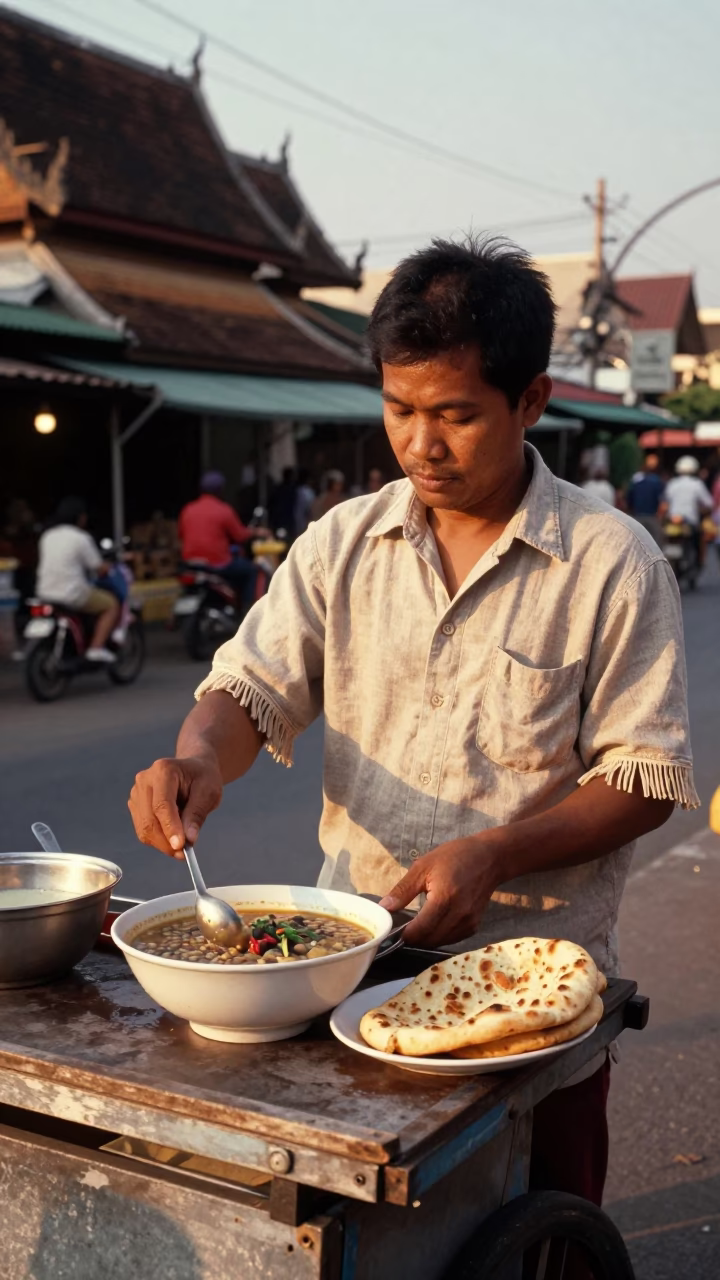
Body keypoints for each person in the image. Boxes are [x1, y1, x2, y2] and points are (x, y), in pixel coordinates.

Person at [129, 236, 696, 1212]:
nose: (422, 444)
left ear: (531, 402)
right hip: (346, 966)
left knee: (537, 1229)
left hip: (531, 980)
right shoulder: (342, 542)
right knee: (346, 1227)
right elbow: (249, 687)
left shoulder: (613, 563)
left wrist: (497, 852)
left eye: (455, 415)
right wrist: (195, 757)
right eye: (400, 410)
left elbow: (642, 777)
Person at [35, 497, 119, 662]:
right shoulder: (81, 538)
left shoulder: (47, 536)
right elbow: (96, 566)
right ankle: (96, 648)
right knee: (111, 604)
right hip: (71, 593)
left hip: (44, 592)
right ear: (80, 517)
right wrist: (107, 567)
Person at [178, 473, 272, 612]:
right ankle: (250, 611)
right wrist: (256, 532)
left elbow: (181, 535)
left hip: (191, 563)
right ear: (220, 490)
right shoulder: (224, 510)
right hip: (217, 563)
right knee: (253, 570)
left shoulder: (188, 510)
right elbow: (240, 536)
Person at [661, 455, 713, 567]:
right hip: (690, 521)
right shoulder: (697, 484)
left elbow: (665, 501)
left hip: (672, 520)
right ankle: (699, 562)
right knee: (698, 543)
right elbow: (709, 503)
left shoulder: (672, 483)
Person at [626, 453, 665, 544]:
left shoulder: (635, 480)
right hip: (652, 517)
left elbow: (629, 498)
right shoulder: (657, 481)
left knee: (637, 543)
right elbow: (661, 500)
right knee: (656, 544)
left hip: (637, 516)